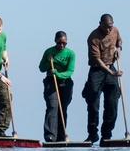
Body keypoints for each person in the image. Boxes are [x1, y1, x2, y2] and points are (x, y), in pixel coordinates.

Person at [81, 14, 123, 144]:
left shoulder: (115, 30)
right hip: (97, 70)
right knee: (93, 103)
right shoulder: (93, 36)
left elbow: (119, 41)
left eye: (110, 27)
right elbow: (97, 59)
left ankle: (106, 135)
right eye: (105, 27)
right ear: (100, 23)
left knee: (112, 103)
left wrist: (118, 49)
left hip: (111, 67)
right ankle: (92, 134)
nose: (108, 30)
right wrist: (111, 72)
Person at [40, 31, 76, 142]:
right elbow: (42, 68)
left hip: (65, 82)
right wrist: (49, 62)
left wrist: (58, 74)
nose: (61, 45)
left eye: (64, 43)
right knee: (53, 106)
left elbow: (70, 71)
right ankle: (50, 135)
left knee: (62, 108)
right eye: (59, 43)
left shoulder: (70, 53)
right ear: (55, 41)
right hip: (51, 82)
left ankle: (62, 135)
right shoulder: (49, 51)